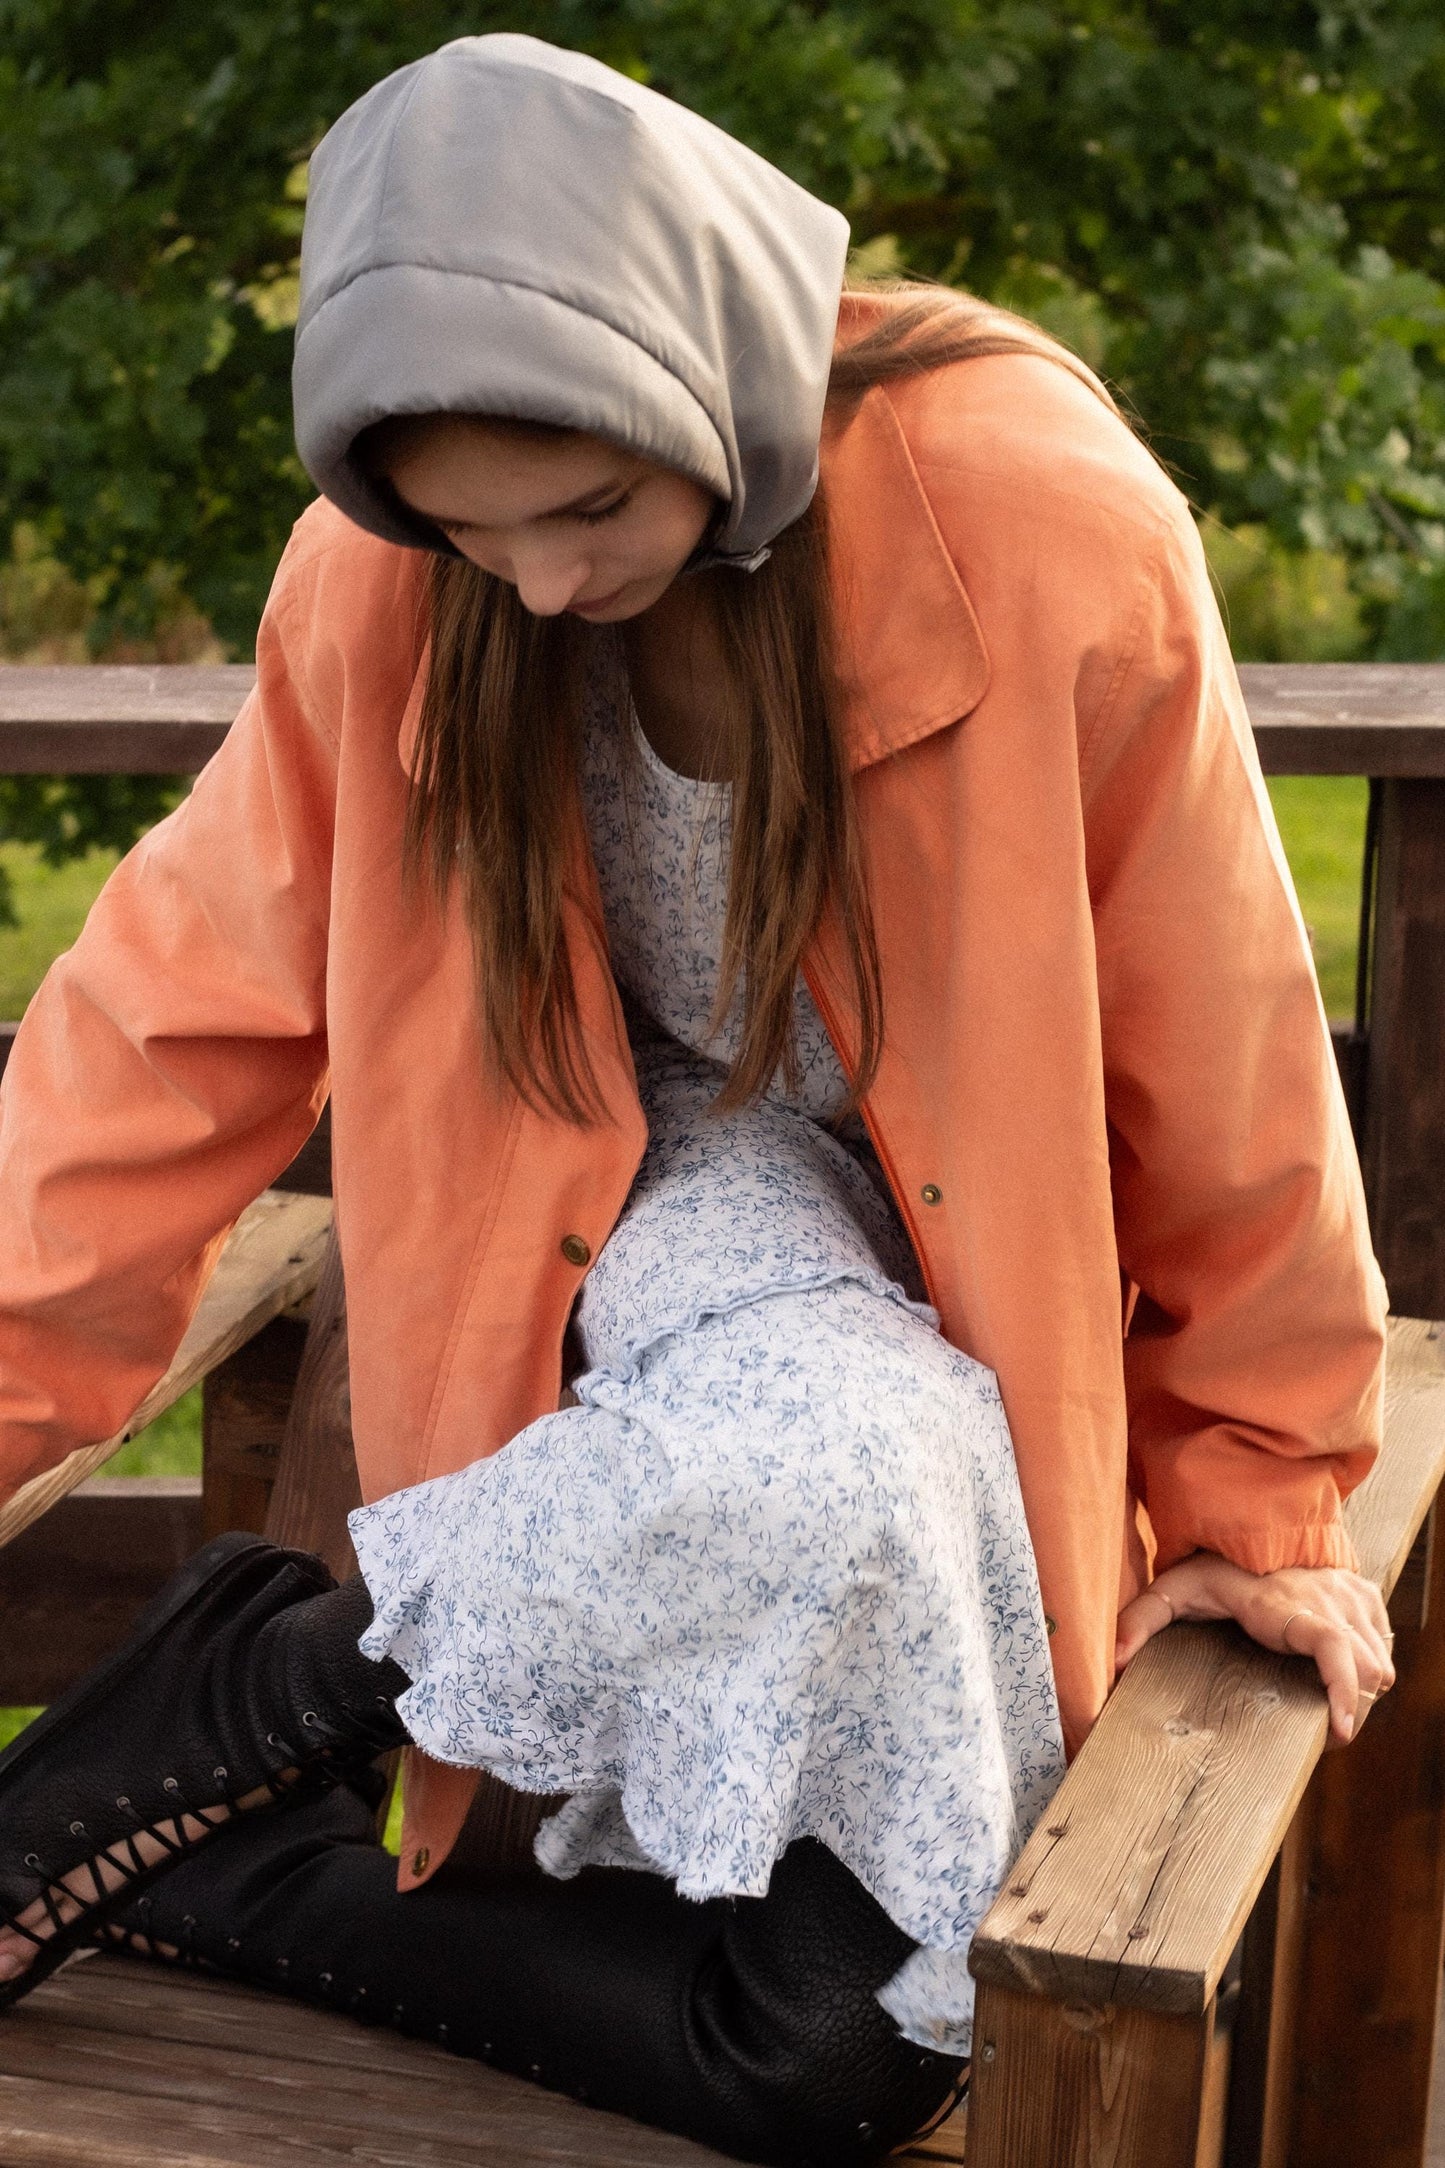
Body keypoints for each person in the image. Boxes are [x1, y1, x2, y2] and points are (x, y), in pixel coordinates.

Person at [0, 31, 1394, 2166]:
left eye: (590, 507)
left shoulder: (1033, 528)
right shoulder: (380, 601)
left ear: (718, 383)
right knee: (868, 1434)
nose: (547, 584)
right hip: (630, 1192)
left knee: (849, 2044)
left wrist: (1263, 1492)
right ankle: (282, 1686)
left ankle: (257, 1707)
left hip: (958, 1242)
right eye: (479, 538)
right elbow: (156, 1034)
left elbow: (1226, 1055)